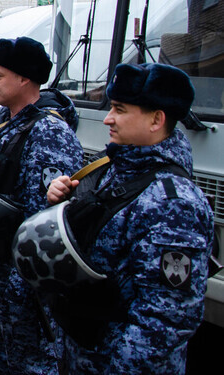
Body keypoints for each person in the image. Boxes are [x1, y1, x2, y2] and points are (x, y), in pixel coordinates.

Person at [45, 63, 214, 375]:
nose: (108, 118)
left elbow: (166, 318)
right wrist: (63, 201)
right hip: (84, 350)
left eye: (120, 110)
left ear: (156, 119)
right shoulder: (113, 169)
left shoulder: (174, 202)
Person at [0, 37, 83, 375]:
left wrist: (24, 283)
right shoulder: (1, 123)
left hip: (20, 279)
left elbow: (44, 219)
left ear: (25, 79)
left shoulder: (49, 133)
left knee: (30, 362)